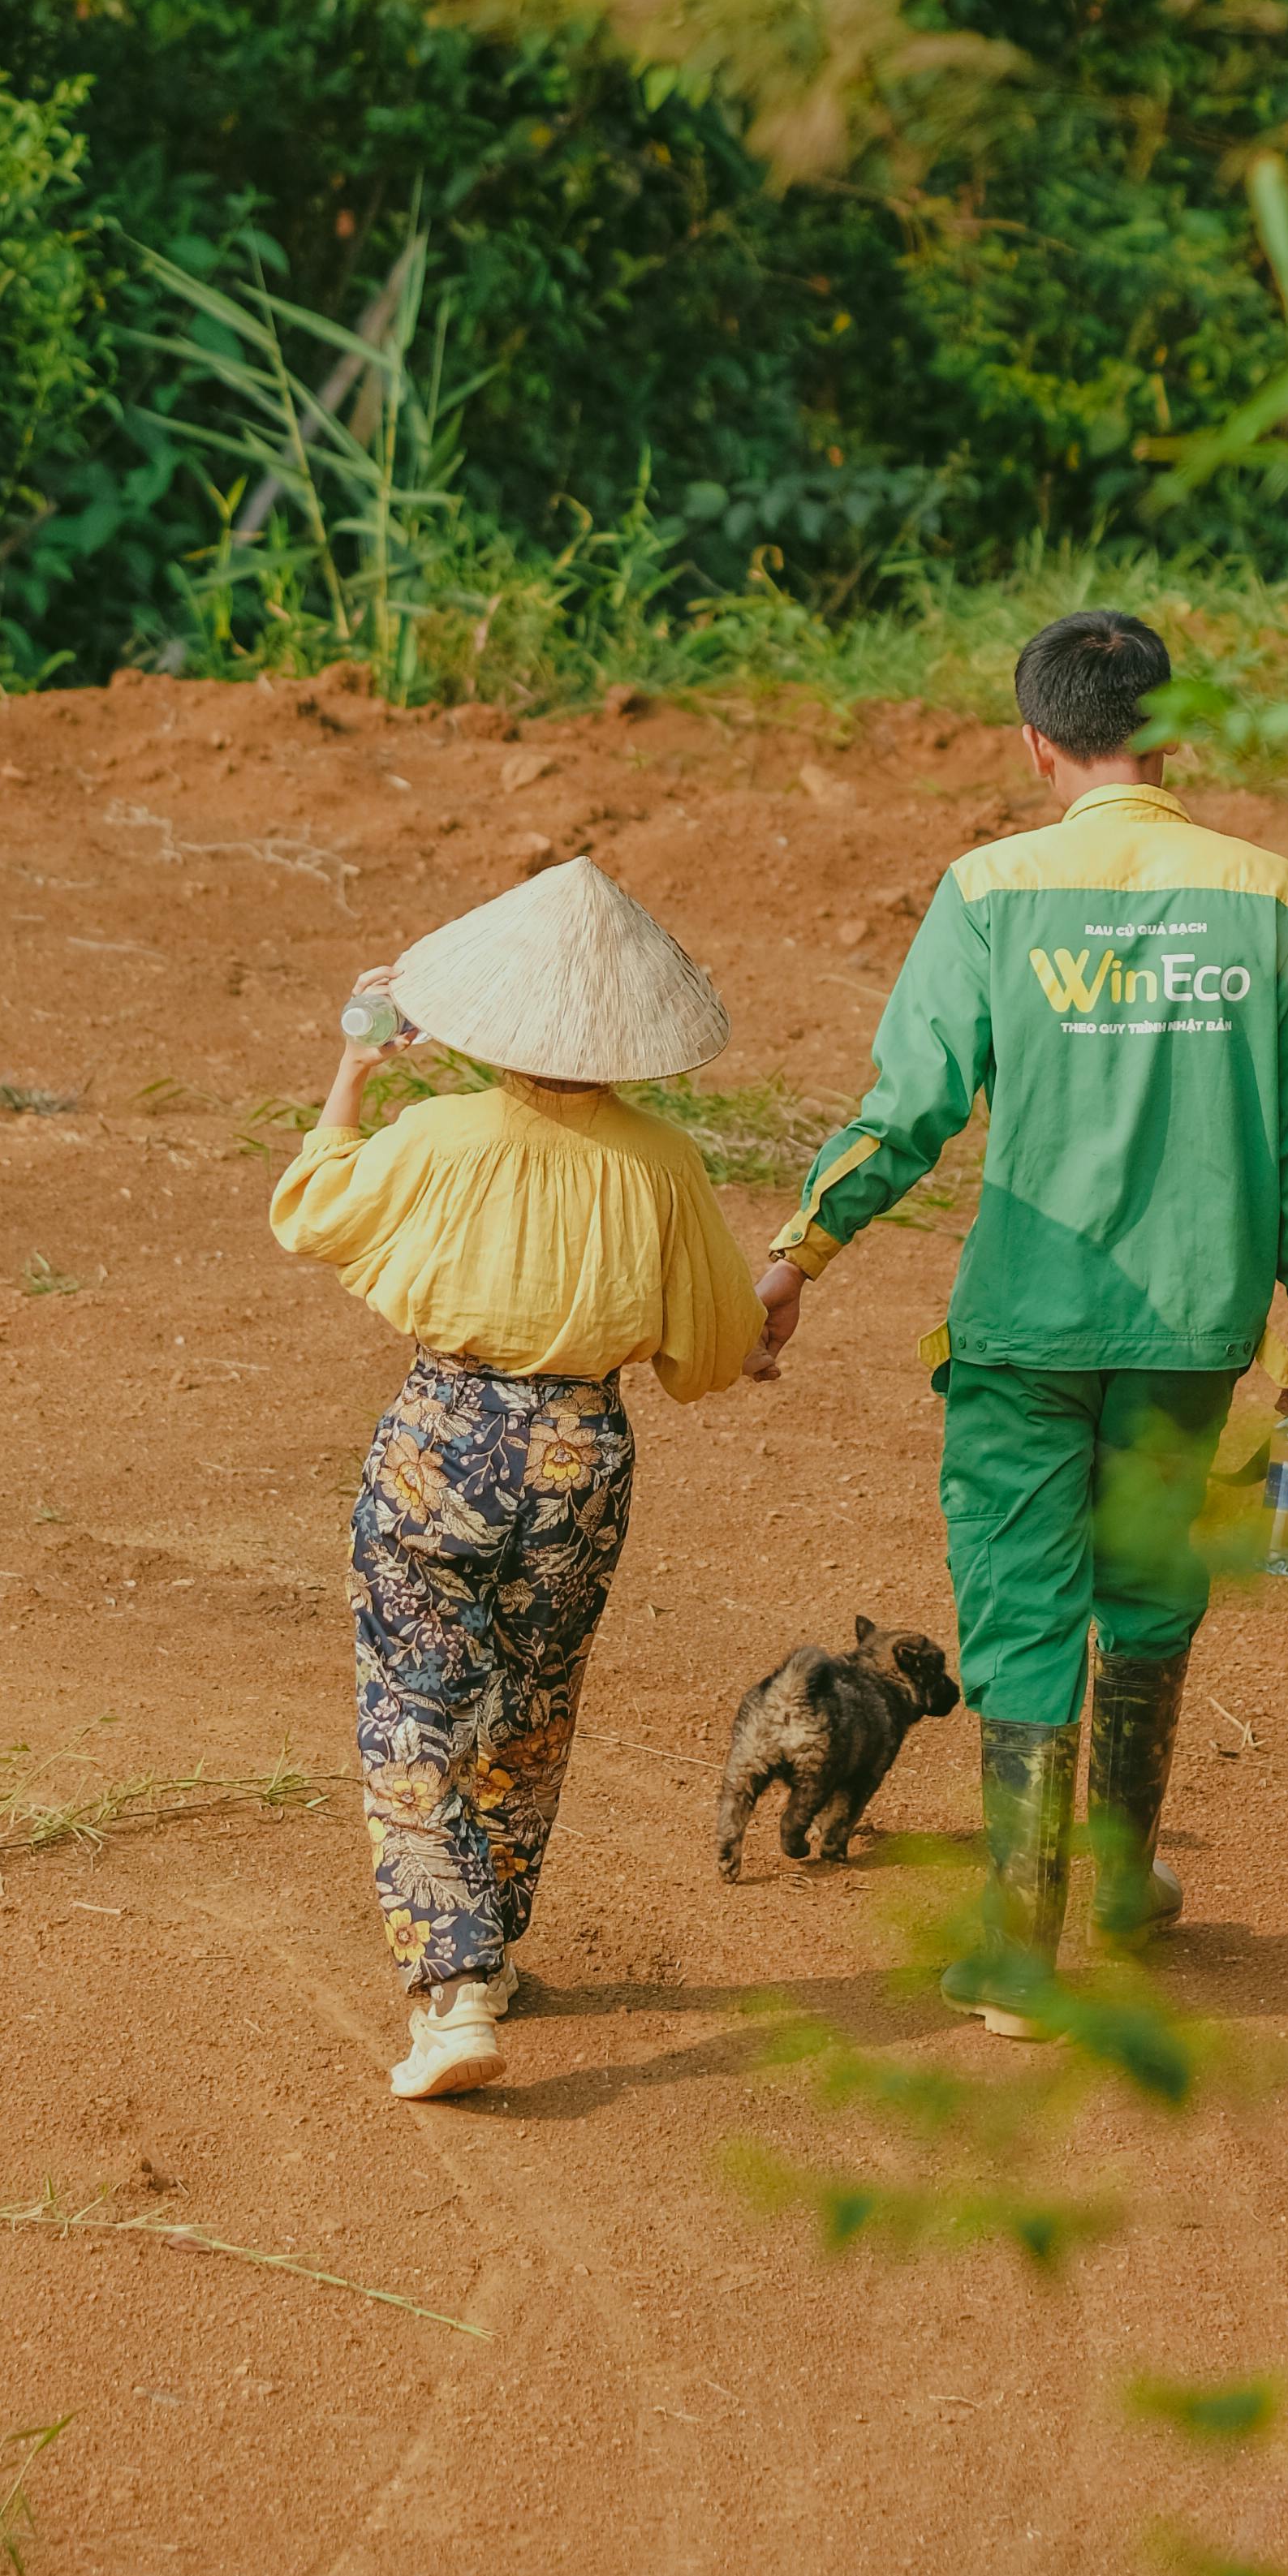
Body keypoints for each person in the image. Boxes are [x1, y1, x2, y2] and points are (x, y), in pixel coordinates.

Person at [754, 609, 1288, 2032]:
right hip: (1196, 1330)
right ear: (1172, 727)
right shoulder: (1268, 896)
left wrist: (798, 1255)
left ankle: (1019, 1954)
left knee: (1021, 1614)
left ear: (1037, 744)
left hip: (1023, 1330)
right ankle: (1126, 1890)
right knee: (1146, 1594)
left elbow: (905, 1111)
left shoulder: (985, 890)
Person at [271, 856, 771, 2103]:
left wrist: (356, 1063)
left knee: (412, 1701)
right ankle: (491, 1952)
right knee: (533, 1702)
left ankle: (451, 1992)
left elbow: (308, 1211)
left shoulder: (435, 1133)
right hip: (581, 1461)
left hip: (442, 1437)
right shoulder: (662, 1165)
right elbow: (712, 1353)